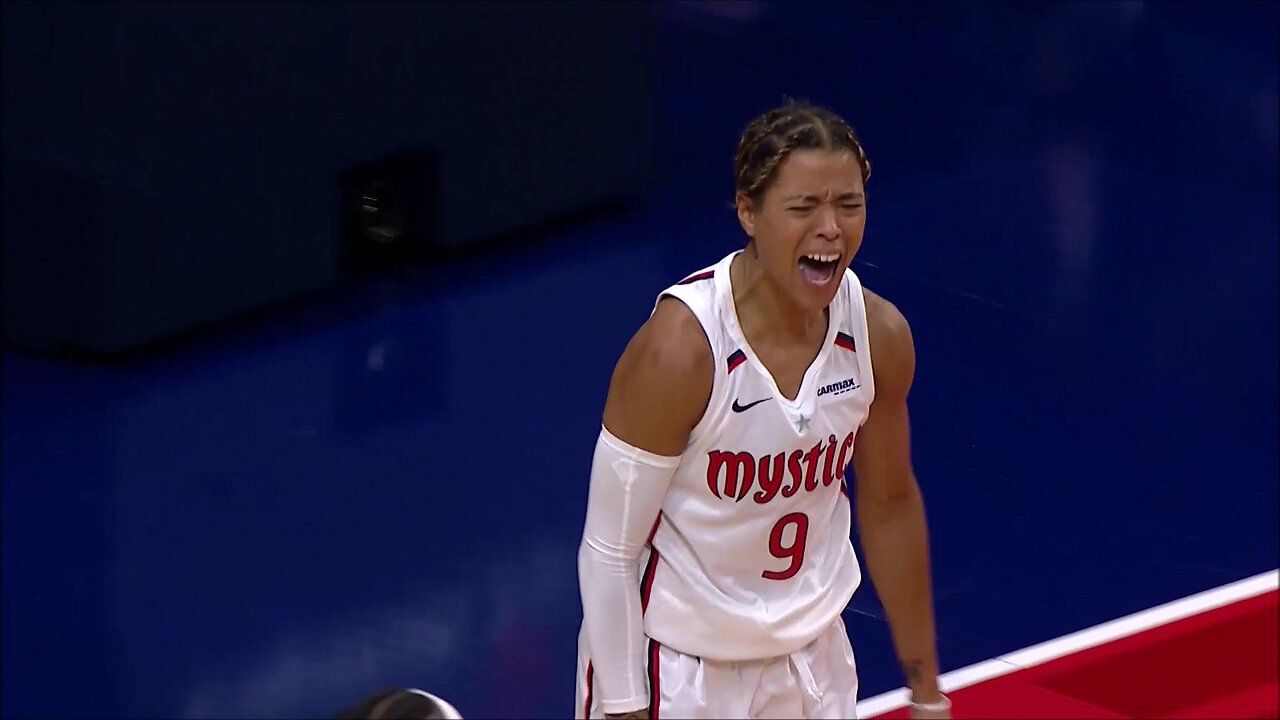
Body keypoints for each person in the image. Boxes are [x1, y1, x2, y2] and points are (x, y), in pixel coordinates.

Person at [574, 99, 950, 720]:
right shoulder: (681, 350)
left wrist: (926, 691)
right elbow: (608, 549)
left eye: (849, 204)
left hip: (811, 659)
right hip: (678, 668)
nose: (830, 227)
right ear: (748, 213)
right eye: (804, 207)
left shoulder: (878, 336)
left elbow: (888, 505)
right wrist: (623, 708)